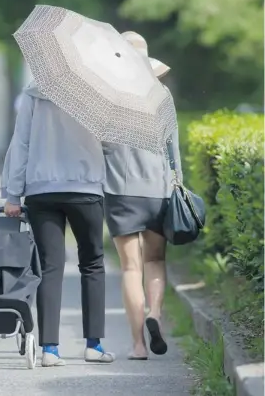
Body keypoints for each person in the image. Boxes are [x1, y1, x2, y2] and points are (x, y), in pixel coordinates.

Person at [1, 83, 115, 367]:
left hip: (41, 189)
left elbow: (21, 142)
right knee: (92, 264)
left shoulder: (33, 92)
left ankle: (50, 349)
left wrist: (13, 194)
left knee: (50, 267)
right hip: (86, 187)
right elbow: (111, 143)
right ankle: (93, 345)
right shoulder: (96, 90)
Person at [102, 31, 181, 360]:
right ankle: (155, 314)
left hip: (120, 190)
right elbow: (173, 150)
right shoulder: (161, 95)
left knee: (131, 268)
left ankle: (137, 346)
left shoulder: (106, 95)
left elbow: (100, 146)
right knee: (155, 261)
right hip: (157, 189)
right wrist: (177, 183)